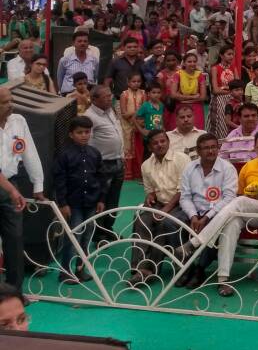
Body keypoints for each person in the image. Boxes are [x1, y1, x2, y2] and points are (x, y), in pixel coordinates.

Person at [176, 129, 258, 295]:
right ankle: (223, 279)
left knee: (238, 202)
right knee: (231, 223)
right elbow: (239, 193)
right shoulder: (248, 166)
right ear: (254, 148)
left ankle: (195, 242)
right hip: (245, 211)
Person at [175, 133, 238, 289]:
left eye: (214, 147)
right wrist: (193, 216)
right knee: (171, 223)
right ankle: (186, 268)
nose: (211, 151)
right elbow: (185, 196)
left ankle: (200, 269)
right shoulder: (189, 168)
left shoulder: (227, 168)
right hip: (194, 210)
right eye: (206, 148)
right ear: (198, 150)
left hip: (216, 212)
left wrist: (207, 217)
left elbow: (229, 198)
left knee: (216, 226)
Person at [130, 129, 190, 283]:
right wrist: (150, 196)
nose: (160, 145)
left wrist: (165, 210)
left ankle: (150, 269)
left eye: (163, 141)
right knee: (141, 220)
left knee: (163, 222)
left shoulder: (181, 159)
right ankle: (139, 268)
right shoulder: (146, 165)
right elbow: (150, 190)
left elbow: (183, 190)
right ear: (149, 147)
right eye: (155, 143)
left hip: (182, 204)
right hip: (159, 204)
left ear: (168, 142)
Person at [0, 86, 45, 286]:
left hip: (11, 185)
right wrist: (11, 190)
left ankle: (15, 292)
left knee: (15, 240)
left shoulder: (18, 121)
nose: (11, 105)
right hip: (10, 189)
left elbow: (29, 152)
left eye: (11, 100)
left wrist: (38, 184)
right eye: (5, 102)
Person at [52, 115, 105, 283]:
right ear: (71, 134)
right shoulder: (64, 155)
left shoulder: (95, 153)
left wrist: (101, 199)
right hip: (73, 204)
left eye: (87, 132)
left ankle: (81, 269)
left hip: (91, 202)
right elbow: (59, 180)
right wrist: (63, 203)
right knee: (73, 237)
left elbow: (100, 177)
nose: (84, 135)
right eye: (79, 132)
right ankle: (66, 272)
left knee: (87, 236)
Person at [84, 85, 125, 240]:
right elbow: (87, 143)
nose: (110, 98)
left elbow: (118, 132)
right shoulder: (89, 116)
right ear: (94, 99)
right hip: (102, 165)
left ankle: (108, 229)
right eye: (106, 96)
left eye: (110, 95)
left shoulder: (110, 110)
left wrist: (121, 155)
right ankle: (98, 234)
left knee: (113, 201)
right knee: (101, 201)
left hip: (117, 162)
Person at [56, 30, 99, 96]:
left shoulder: (94, 60)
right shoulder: (64, 60)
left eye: (85, 41)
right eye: (79, 41)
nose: (82, 43)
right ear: (73, 43)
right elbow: (60, 80)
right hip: (69, 95)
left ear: (88, 44)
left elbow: (95, 78)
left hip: (88, 95)